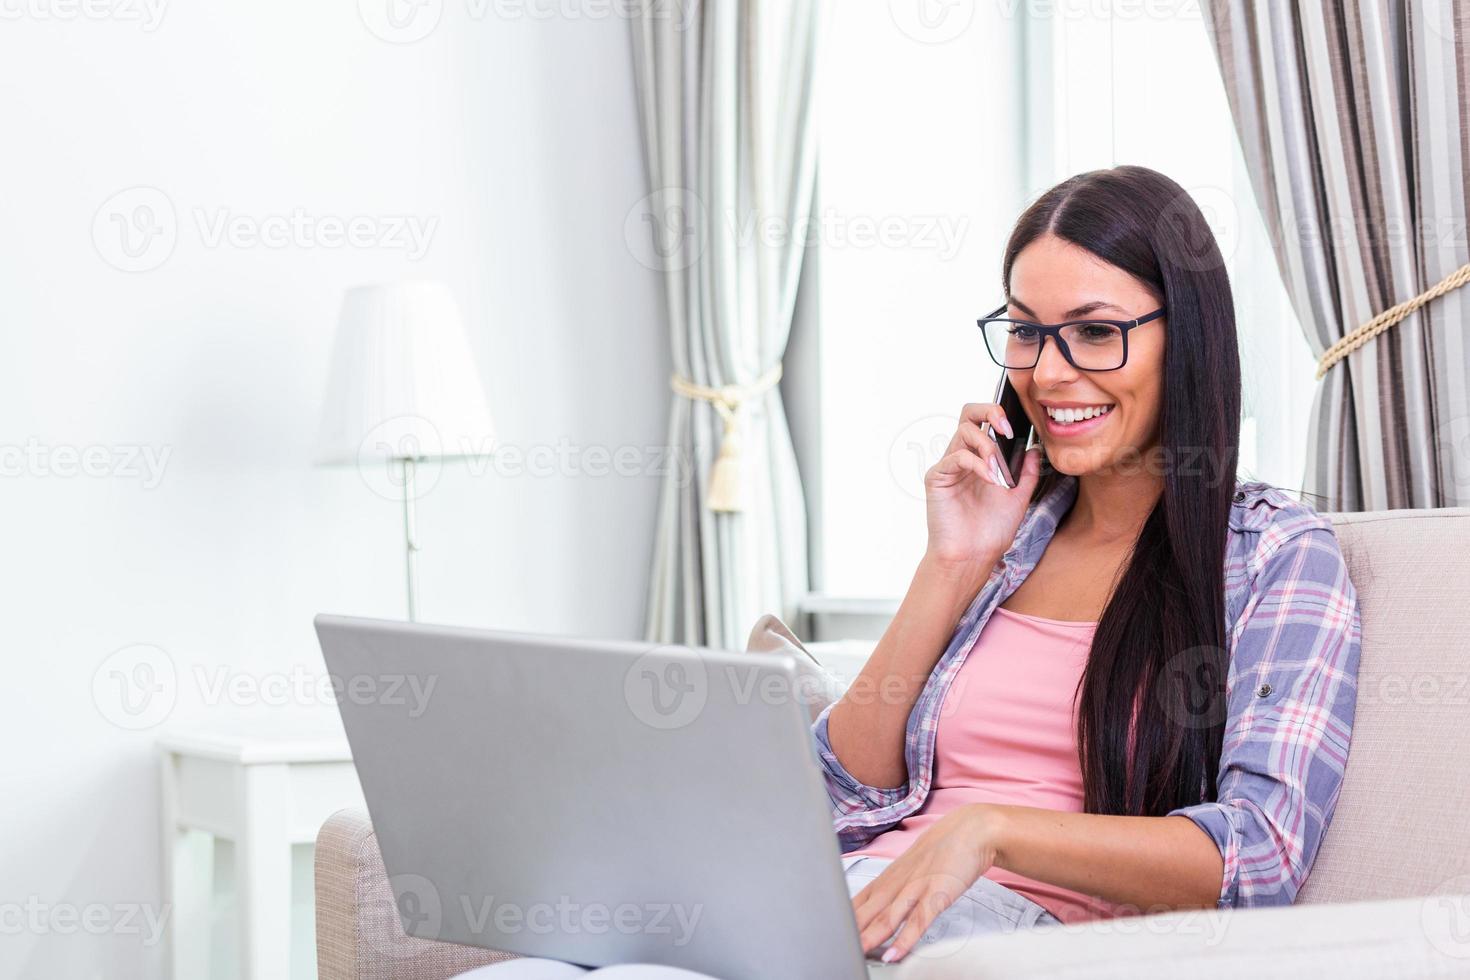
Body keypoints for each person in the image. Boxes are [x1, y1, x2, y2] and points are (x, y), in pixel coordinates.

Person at [819, 164, 1361, 963]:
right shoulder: (1008, 534)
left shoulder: (1274, 554)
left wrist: (991, 833)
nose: (1046, 372)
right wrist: (951, 564)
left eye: (1096, 331)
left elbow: (1258, 857)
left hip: (1020, 941)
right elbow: (841, 794)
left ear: (1187, 338)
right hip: (863, 898)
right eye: (1027, 330)